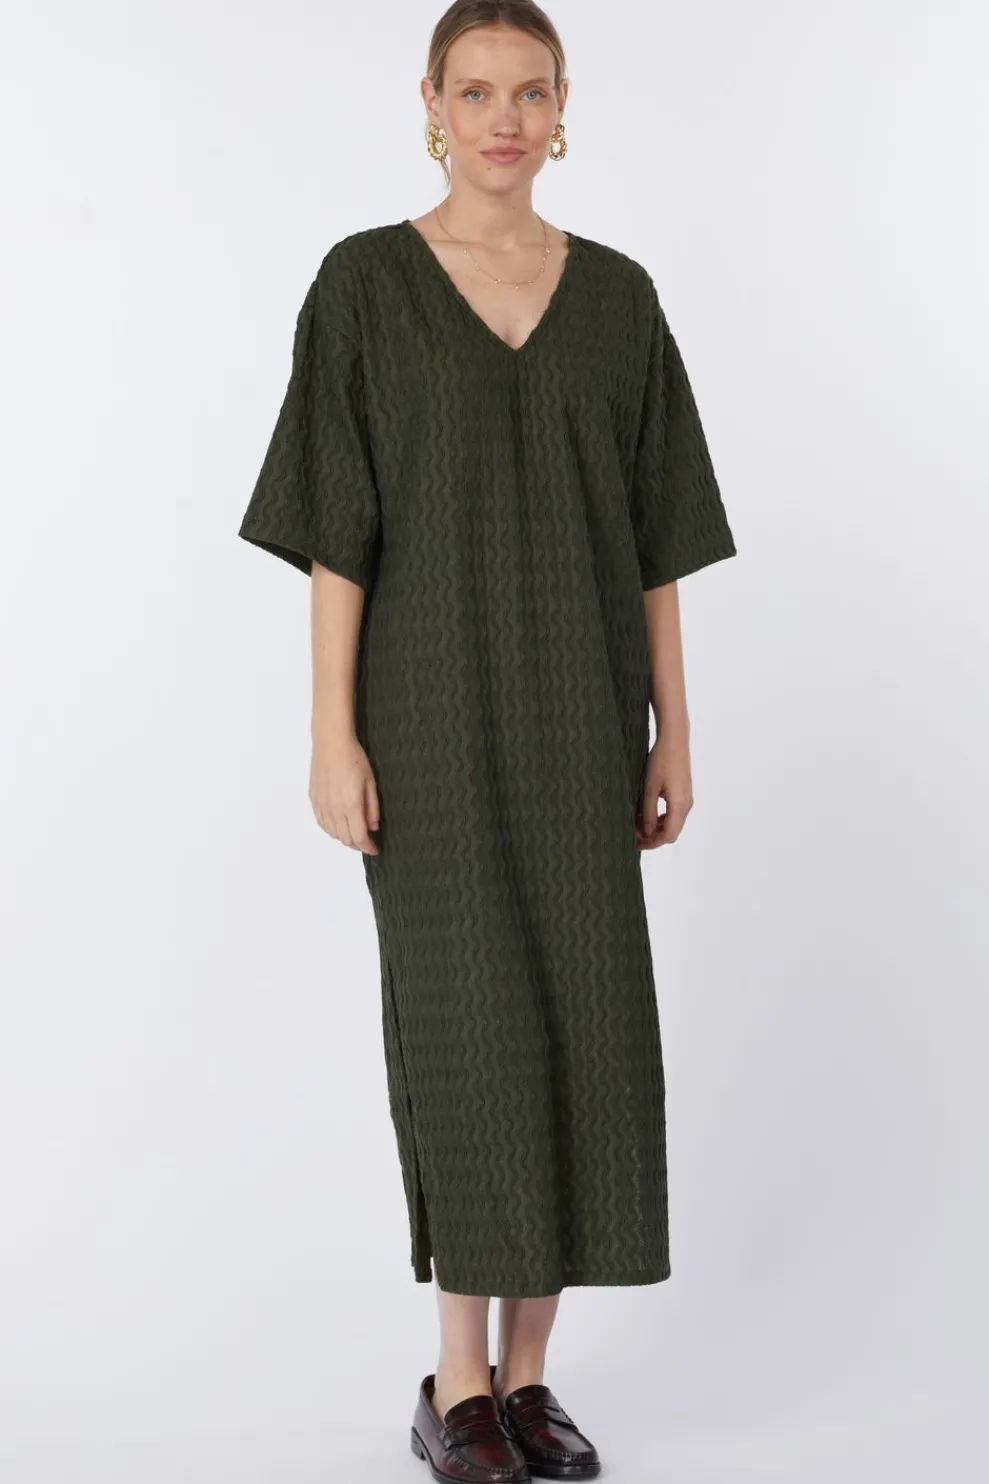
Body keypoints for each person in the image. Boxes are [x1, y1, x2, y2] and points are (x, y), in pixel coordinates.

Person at [237, 2, 737, 1478]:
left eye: (529, 91)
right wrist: (330, 733)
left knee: (586, 1019)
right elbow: (337, 531)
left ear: (564, 108)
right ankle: (455, 1381)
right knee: (469, 1029)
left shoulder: (622, 299)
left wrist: (674, 729)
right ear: (432, 104)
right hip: (429, 717)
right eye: (476, 91)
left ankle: (529, 1382)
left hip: (585, 713)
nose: (503, 119)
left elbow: (658, 536)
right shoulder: (366, 285)